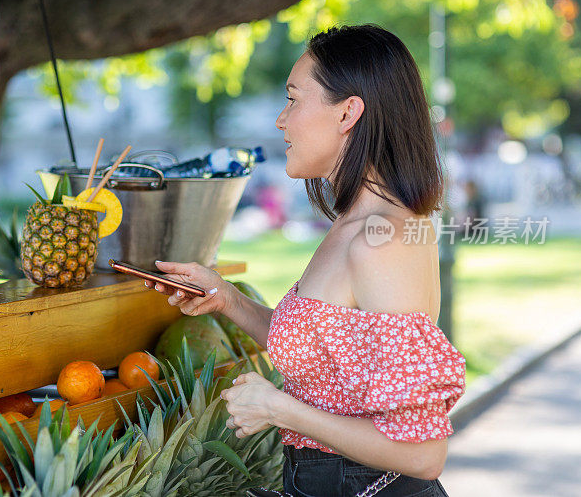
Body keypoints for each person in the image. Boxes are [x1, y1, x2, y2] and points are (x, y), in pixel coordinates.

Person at [144, 25, 466, 497]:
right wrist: (226, 298)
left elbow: (421, 454)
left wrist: (280, 411)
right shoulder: (354, 225)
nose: (281, 119)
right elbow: (330, 357)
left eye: (294, 99)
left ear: (348, 113)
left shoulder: (381, 239)